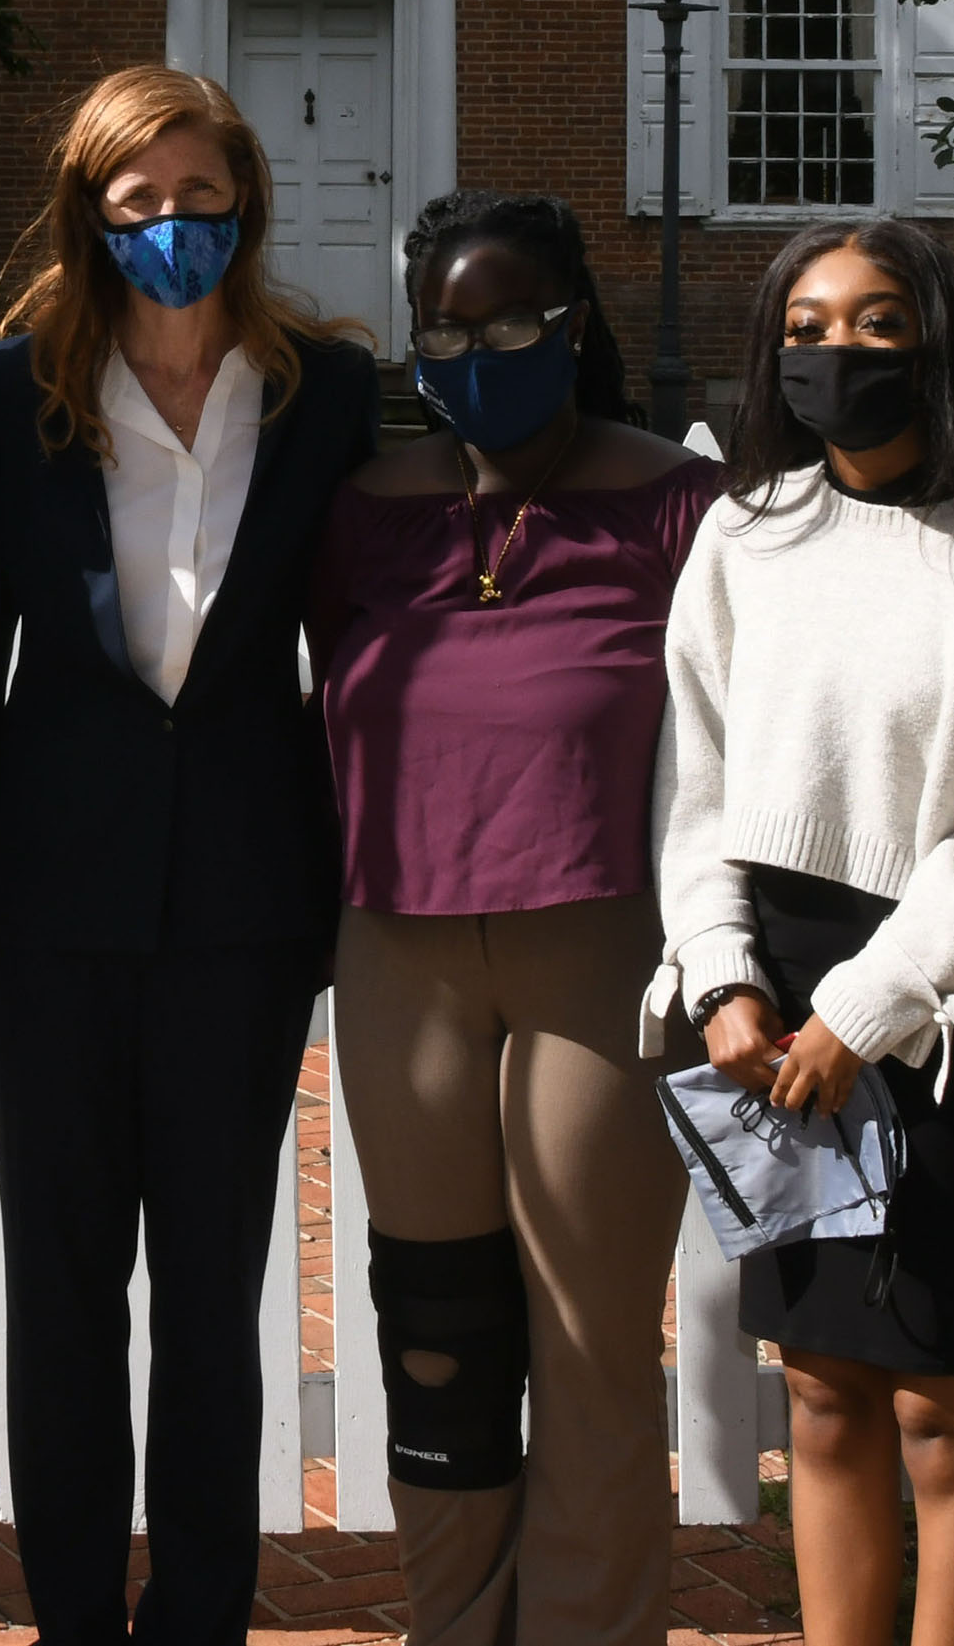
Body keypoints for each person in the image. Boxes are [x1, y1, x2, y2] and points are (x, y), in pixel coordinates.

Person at [0, 67, 375, 1646]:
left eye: (197, 196)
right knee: (58, 1286)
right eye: (137, 203)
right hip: (47, 906)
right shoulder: (11, 394)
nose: (171, 225)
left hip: (246, 906)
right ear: (89, 214)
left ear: (242, 197)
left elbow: (366, 640)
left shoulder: (326, 395)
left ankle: (201, 1614)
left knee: (210, 1286)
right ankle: (71, 1620)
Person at [653, 218, 954, 1646]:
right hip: (765, 1011)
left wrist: (862, 1011)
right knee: (818, 1390)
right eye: (806, 325)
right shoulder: (746, 533)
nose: (837, 352)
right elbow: (696, 782)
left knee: (943, 1400)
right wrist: (725, 978)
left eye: (875, 322)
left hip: (944, 1012)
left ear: (938, 338)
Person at [309, 191, 721, 1646]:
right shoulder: (363, 511)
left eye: (512, 323)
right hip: (399, 946)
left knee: (590, 1333)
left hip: (599, 947)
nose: (478, 351)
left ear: (576, 324)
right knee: (438, 1333)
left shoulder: (675, 500)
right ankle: (456, 1624)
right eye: (447, 329)